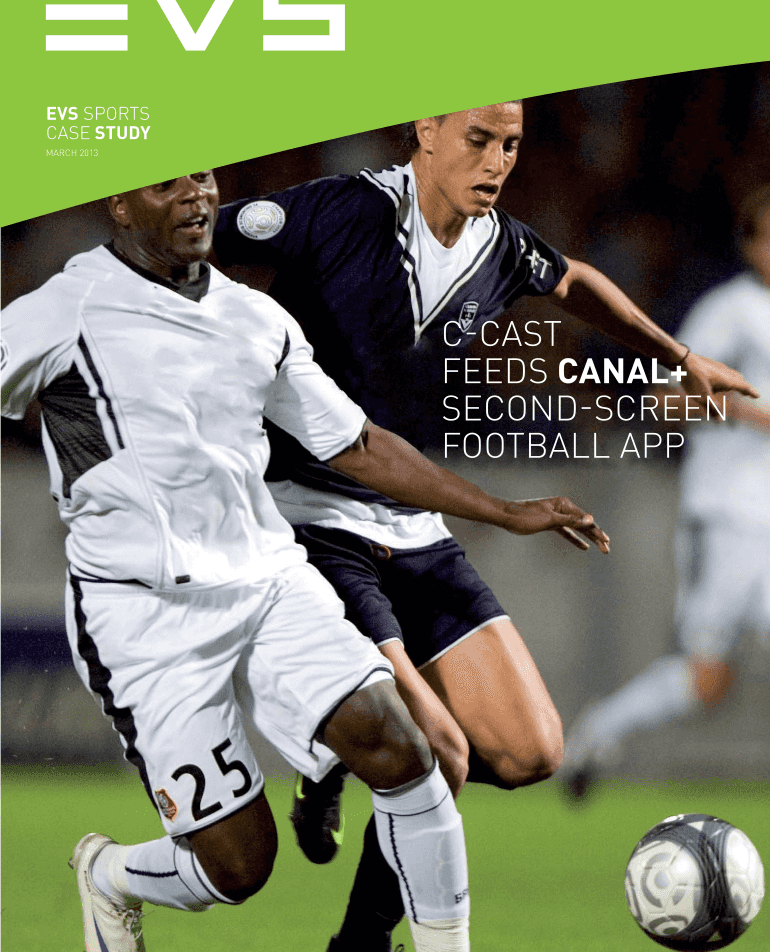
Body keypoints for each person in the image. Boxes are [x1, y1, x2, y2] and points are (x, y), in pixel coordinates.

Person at [0, 171, 614, 952]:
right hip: (143, 612)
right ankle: (112, 875)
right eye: (165, 185)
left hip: (269, 583)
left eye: (203, 177)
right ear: (118, 206)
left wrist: (500, 509)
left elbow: (357, 444)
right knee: (238, 866)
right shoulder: (65, 309)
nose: (194, 196)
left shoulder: (256, 318)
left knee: (407, 750)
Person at [213, 102, 758, 952]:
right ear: (426, 130)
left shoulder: (499, 245)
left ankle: (340, 755)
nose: (499, 160)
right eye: (479, 139)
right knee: (437, 752)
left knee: (531, 751)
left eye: (511, 145)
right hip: (305, 523)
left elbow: (573, 281)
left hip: (412, 523)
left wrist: (680, 357)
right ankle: (360, 939)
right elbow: (184, 241)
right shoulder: (340, 210)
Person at [560, 183, 770, 798]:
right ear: (751, 245)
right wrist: (754, 413)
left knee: (709, 682)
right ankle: (596, 732)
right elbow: (664, 399)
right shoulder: (731, 310)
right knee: (706, 681)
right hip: (729, 518)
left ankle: (597, 729)